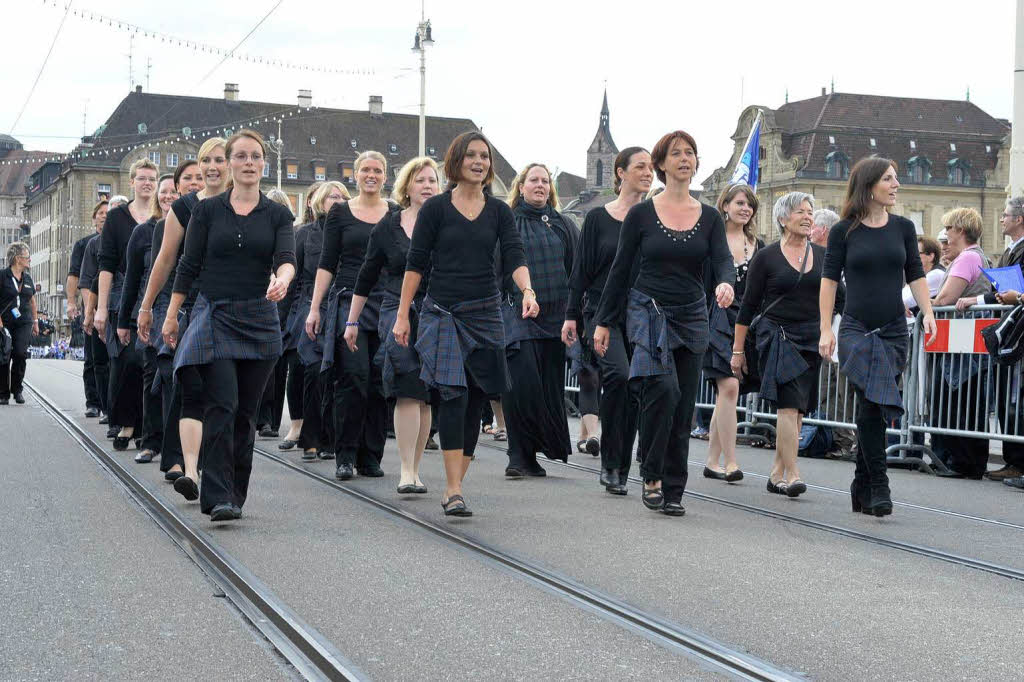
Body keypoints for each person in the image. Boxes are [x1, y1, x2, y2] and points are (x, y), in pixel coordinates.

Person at [594, 131, 735, 516]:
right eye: (676, 153)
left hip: (691, 313)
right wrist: (604, 322)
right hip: (648, 311)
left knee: (684, 402)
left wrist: (725, 282)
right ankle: (651, 474)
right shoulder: (641, 214)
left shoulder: (708, 217)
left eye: (690, 152)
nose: (685, 159)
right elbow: (620, 271)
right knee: (663, 390)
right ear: (661, 164)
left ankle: (673, 488)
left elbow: (722, 259)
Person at [395, 131, 535, 517]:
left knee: (478, 400)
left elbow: (514, 255)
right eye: (471, 155)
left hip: (486, 313)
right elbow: (416, 263)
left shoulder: (499, 212)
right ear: (456, 161)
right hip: (444, 313)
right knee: (454, 398)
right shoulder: (436, 209)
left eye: (484, 156)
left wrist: (527, 291)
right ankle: (453, 489)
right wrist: (403, 313)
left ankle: (457, 482)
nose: (479, 161)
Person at [163, 129, 295, 522]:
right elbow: (188, 265)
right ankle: (217, 495)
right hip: (215, 316)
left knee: (245, 414)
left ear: (263, 164)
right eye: (241, 156)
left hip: (259, 319)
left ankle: (236, 493)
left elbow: (287, 257)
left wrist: (283, 279)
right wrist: (171, 314)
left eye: (256, 156)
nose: (249, 162)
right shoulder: (206, 211)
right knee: (223, 404)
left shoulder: (277, 214)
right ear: (230, 162)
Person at [820, 157, 936, 517]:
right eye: (889, 178)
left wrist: (928, 311)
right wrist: (826, 328)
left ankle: (861, 483)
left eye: (896, 178)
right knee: (871, 401)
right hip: (856, 329)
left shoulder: (903, 228)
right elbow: (828, 280)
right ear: (870, 185)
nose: (896, 184)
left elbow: (915, 273)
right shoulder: (844, 231)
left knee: (875, 404)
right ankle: (880, 486)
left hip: (893, 331)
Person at [346, 157, 439, 493]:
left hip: (434, 313)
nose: (427, 186)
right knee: (406, 385)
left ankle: (416, 469)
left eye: (432, 180)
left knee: (425, 394)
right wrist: (352, 319)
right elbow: (367, 274)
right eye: (420, 180)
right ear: (407, 187)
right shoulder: (389, 226)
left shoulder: (445, 224)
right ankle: (403, 470)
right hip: (395, 310)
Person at [563, 146, 652, 494]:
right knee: (619, 375)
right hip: (602, 312)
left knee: (637, 387)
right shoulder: (598, 218)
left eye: (650, 168)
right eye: (640, 167)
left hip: (643, 314)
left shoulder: (651, 217)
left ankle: (625, 462)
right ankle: (612, 463)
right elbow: (580, 271)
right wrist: (571, 315)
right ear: (620, 172)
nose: (647, 173)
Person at [138, 139, 225, 491]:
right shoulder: (184, 210)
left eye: (219, 159)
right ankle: (184, 464)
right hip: (186, 305)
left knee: (221, 393)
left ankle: (205, 464)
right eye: (205, 162)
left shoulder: (246, 205)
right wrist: (147, 308)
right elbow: (165, 261)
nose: (209, 169)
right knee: (186, 383)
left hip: (229, 306)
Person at [734, 192, 831, 497]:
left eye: (810, 211)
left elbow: (836, 297)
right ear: (783, 219)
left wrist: (829, 329)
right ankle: (792, 473)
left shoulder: (824, 256)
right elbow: (747, 306)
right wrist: (737, 351)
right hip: (777, 337)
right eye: (800, 211)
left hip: (811, 338)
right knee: (788, 406)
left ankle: (776, 473)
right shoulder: (767, 257)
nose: (807, 216)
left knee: (800, 410)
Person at [307, 151, 390, 481]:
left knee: (379, 382)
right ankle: (345, 453)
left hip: (384, 303)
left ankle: (371, 455)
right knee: (352, 379)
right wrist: (315, 308)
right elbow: (327, 263)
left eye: (378, 170)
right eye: (365, 170)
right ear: (355, 175)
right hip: (346, 303)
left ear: (385, 177)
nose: (371, 175)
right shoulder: (340, 214)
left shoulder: (394, 214)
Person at [501, 163, 576, 478]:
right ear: (521, 186)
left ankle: (531, 455)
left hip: (556, 317)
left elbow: (577, 268)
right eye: (534, 180)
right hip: (517, 313)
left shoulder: (563, 224)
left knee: (547, 386)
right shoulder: (508, 221)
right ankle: (517, 454)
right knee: (522, 383)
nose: (540, 185)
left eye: (545, 181)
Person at [958, 197, 1024, 481]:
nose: (1001, 219)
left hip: (1017, 331)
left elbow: (1013, 291)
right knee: (1009, 399)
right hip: (1010, 329)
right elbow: (1001, 290)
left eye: (1006, 215)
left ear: (1019, 219)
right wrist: (975, 298)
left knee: (1016, 400)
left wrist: (1016, 297)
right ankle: (1013, 459)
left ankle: (1018, 460)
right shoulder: (1011, 250)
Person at [95, 158, 159, 450]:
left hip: (157, 297)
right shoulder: (118, 217)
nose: (147, 183)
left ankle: (146, 427)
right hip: (123, 296)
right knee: (126, 362)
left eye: (151, 179)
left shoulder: (164, 218)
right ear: (132, 182)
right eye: (142, 178)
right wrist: (100, 308)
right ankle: (127, 422)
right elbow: (106, 265)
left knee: (149, 365)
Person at [702, 183, 763, 484]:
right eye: (739, 202)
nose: (745, 208)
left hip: (745, 322)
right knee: (728, 388)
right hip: (716, 318)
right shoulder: (712, 239)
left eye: (749, 204)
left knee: (726, 394)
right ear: (724, 205)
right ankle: (731, 461)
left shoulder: (757, 244)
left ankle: (712, 461)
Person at [118, 173, 179, 462]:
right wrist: (123, 322)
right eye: (164, 191)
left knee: (176, 379)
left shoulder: (191, 226)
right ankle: (150, 441)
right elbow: (131, 279)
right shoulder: (144, 232)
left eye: (174, 192)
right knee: (152, 375)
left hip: (181, 309)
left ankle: (174, 444)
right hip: (152, 310)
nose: (168, 196)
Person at [927, 208, 992, 480]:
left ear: (961, 231)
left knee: (956, 400)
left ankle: (961, 461)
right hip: (968, 343)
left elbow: (944, 299)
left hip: (962, 346)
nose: (947, 236)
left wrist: (924, 306)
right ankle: (965, 460)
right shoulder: (980, 257)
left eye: (950, 230)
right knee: (966, 400)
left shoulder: (967, 258)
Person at [289, 182, 346, 461]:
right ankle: (310, 438)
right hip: (310, 308)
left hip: (342, 307)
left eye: (342, 196)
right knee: (312, 371)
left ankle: (331, 439)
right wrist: (289, 320)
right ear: (320, 201)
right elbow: (294, 280)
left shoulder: (351, 231)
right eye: (332, 196)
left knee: (336, 375)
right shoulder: (303, 235)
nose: (337, 200)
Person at [276, 181, 325, 451]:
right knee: (297, 367)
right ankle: (296, 425)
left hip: (333, 305)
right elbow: (291, 280)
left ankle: (318, 431)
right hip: (301, 305)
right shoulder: (302, 234)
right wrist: (283, 320)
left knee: (319, 373)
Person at [256, 189, 296, 439]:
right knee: (272, 368)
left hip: (280, 301)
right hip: (273, 302)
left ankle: (266, 419)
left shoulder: (287, 233)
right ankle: (265, 418)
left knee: (273, 367)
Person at [78, 208, 112, 430]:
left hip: (119, 308)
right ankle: (96, 403)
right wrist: (88, 311)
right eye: (102, 213)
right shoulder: (90, 244)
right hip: (97, 307)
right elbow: (86, 280)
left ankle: (114, 407)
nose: (106, 216)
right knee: (96, 361)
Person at [0, 242, 38, 404]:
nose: (29, 259)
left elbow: (32, 301)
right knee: (4, 356)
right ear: (17, 259)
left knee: (20, 354)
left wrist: (35, 322)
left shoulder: (27, 278)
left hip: (24, 322)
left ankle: (17, 390)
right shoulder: (2, 276)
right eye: (26, 256)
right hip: (5, 322)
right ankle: (3, 393)